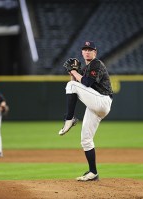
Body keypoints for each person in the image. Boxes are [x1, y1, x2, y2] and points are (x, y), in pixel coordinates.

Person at [59, 41, 113, 181]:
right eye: (85, 49)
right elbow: (77, 83)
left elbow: (86, 83)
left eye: (90, 49)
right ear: (82, 52)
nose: (87, 51)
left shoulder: (96, 63)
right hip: (95, 105)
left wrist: (73, 72)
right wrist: (73, 72)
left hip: (102, 101)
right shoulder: (85, 69)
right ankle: (93, 173)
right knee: (86, 140)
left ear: (95, 52)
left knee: (70, 85)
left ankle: (69, 119)